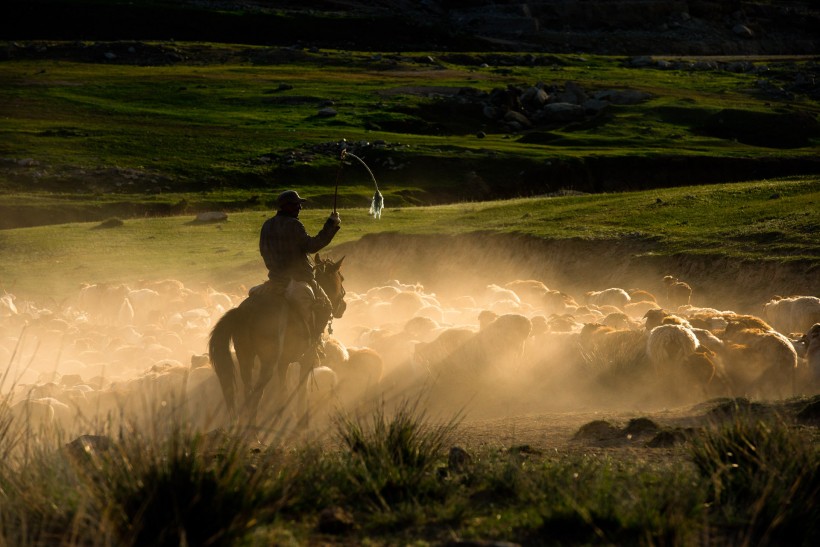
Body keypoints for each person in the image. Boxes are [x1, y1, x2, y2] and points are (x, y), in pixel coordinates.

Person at [259, 190, 341, 351]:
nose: (299, 208)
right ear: (286, 206)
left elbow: (263, 250)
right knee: (326, 307)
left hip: (275, 278)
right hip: (299, 278)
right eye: (296, 205)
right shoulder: (294, 224)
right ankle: (314, 345)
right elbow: (312, 246)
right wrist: (331, 224)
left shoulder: (267, 225)